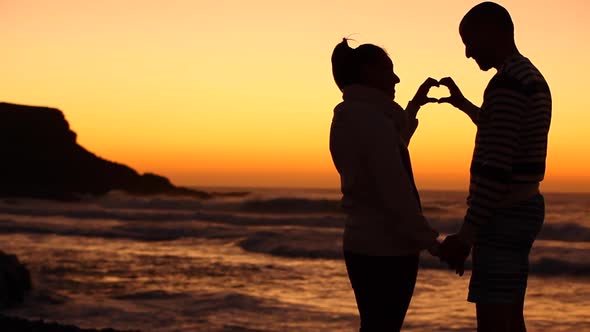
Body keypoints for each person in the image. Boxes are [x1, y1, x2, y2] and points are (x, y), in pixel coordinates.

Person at [437, 2, 552, 332]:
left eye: (469, 41)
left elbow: (497, 166)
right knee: (511, 314)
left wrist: (466, 236)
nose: (467, 53)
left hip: (504, 213)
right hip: (524, 206)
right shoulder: (528, 76)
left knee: (494, 321)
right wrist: (465, 106)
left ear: (494, 32)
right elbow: (505, 133)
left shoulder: (508, 84)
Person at [329, 38, 440, 331]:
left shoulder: (351, 116)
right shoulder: (372, 122)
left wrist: (412, 107)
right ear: (368, 73)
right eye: (389, 70)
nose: (396, 78)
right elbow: (395, 191)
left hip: (361, 244)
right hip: (386, 250)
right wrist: (432, 242)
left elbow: (388, 154)